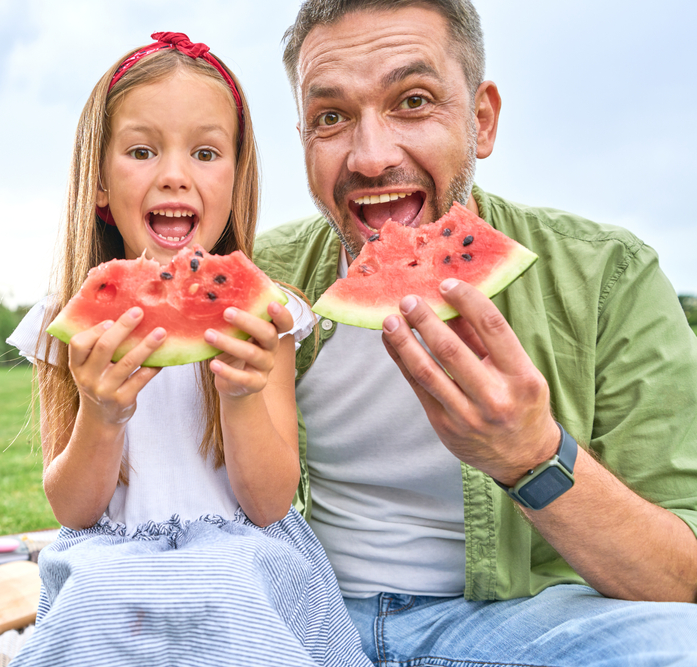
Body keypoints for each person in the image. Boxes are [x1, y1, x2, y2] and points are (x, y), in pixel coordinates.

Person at [253, 1, 697, 665]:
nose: (371, 157)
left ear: (481, 120)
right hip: (311, 616)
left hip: (515, 624)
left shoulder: (609, 274)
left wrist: (532, 455)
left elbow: (679, 579)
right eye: (332, 117)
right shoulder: (267, 281)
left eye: (413, 101)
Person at [5, 32, 370, 667]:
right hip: (112, 563)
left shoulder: (266, 315)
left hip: (245, 560)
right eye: (142, 151)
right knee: (90, 610)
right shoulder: (66, 322)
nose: (174, 175)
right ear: (98, 182)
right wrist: (101, 413)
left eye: (205, 152)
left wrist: (242, 395)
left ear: (235, 178)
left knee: (234, 603)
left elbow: (269, 502)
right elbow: (73, 508)